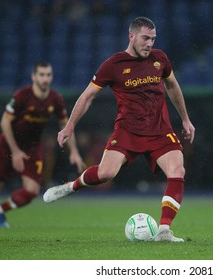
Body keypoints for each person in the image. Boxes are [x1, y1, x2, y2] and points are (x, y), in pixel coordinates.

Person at [43, 17, 195, 242]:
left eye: (153, 39)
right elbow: (87, 97)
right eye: (145, 38)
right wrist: (69, 126)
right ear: (131, 36)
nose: (149, 44)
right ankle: (71, 186)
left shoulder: (160, 59)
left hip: (159, 130)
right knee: (106, 173)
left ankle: (164, 230)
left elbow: (172, 85)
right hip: (127, 131)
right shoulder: (113, 65)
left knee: (177, 171)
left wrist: (185, 119)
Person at [0, 61, 86, 228]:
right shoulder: (22, 96)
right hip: (7, 147)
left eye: (48, 75)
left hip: (32, 148)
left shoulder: (55, 99)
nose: (45, 79)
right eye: (41, 75)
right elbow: (4, 123)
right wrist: (15, 152)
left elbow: (66, 125)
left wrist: (74, 152)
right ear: (33, 77)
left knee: (32, 191)